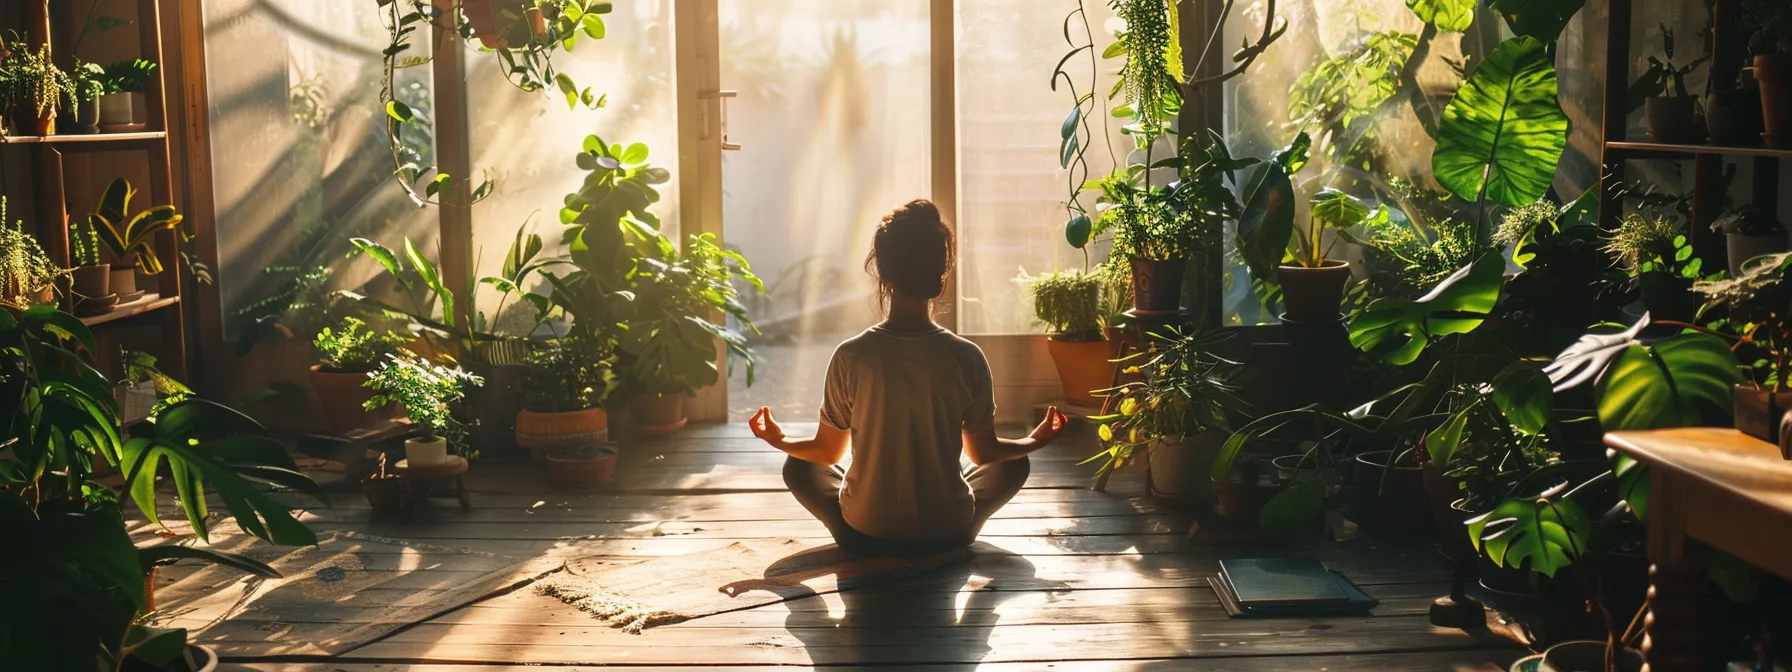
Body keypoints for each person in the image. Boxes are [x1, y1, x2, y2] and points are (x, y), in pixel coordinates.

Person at [747, 199, 1070, 557]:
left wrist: (780, 440)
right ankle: (958, 531)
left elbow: (827, 451)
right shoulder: (966, 356)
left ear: (882, 272)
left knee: (799, 466)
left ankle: (864, 534)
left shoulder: (851, 355)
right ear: (941, 272)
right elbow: (983, 453)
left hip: (866, 531)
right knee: (1013, 462)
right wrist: (1033, 441)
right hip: (947, 530)